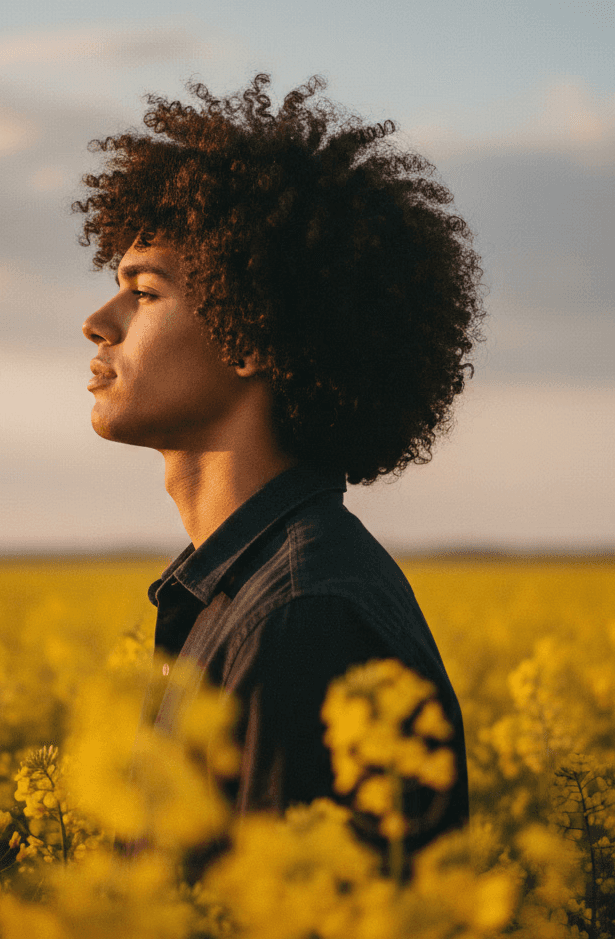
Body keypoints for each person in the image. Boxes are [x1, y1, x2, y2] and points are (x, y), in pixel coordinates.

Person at [74, 73, 484, 857]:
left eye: (144, 291)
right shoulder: (245, 590)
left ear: (252, 330)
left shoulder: (301, 618)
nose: (98, 322)